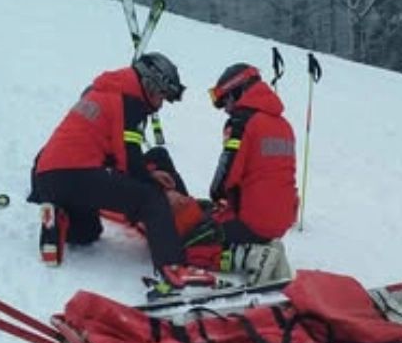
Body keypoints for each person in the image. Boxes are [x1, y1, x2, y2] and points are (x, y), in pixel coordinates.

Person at [27, 52, 209, 288]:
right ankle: (173, 268)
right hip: (77, 173)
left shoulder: (104, 91)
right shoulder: (128, 102)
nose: (160, 104)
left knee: (88, 232)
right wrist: (162, 193)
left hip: (51, 176)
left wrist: (147, 174)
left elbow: (116, 153)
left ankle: (61, 215)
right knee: (150, 198)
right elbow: (130, 163)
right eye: (161, 96)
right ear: (149, 85)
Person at [180, 62, 298, 286]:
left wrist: (218, 197)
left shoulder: (242, 122)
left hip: (252, 220)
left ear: (239, 90)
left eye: (226, 100)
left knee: (187, 244)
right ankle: (262, 246)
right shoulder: (284, 125)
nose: (226, 108)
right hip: (282, 219)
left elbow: (226, 175)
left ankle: (249, 257)